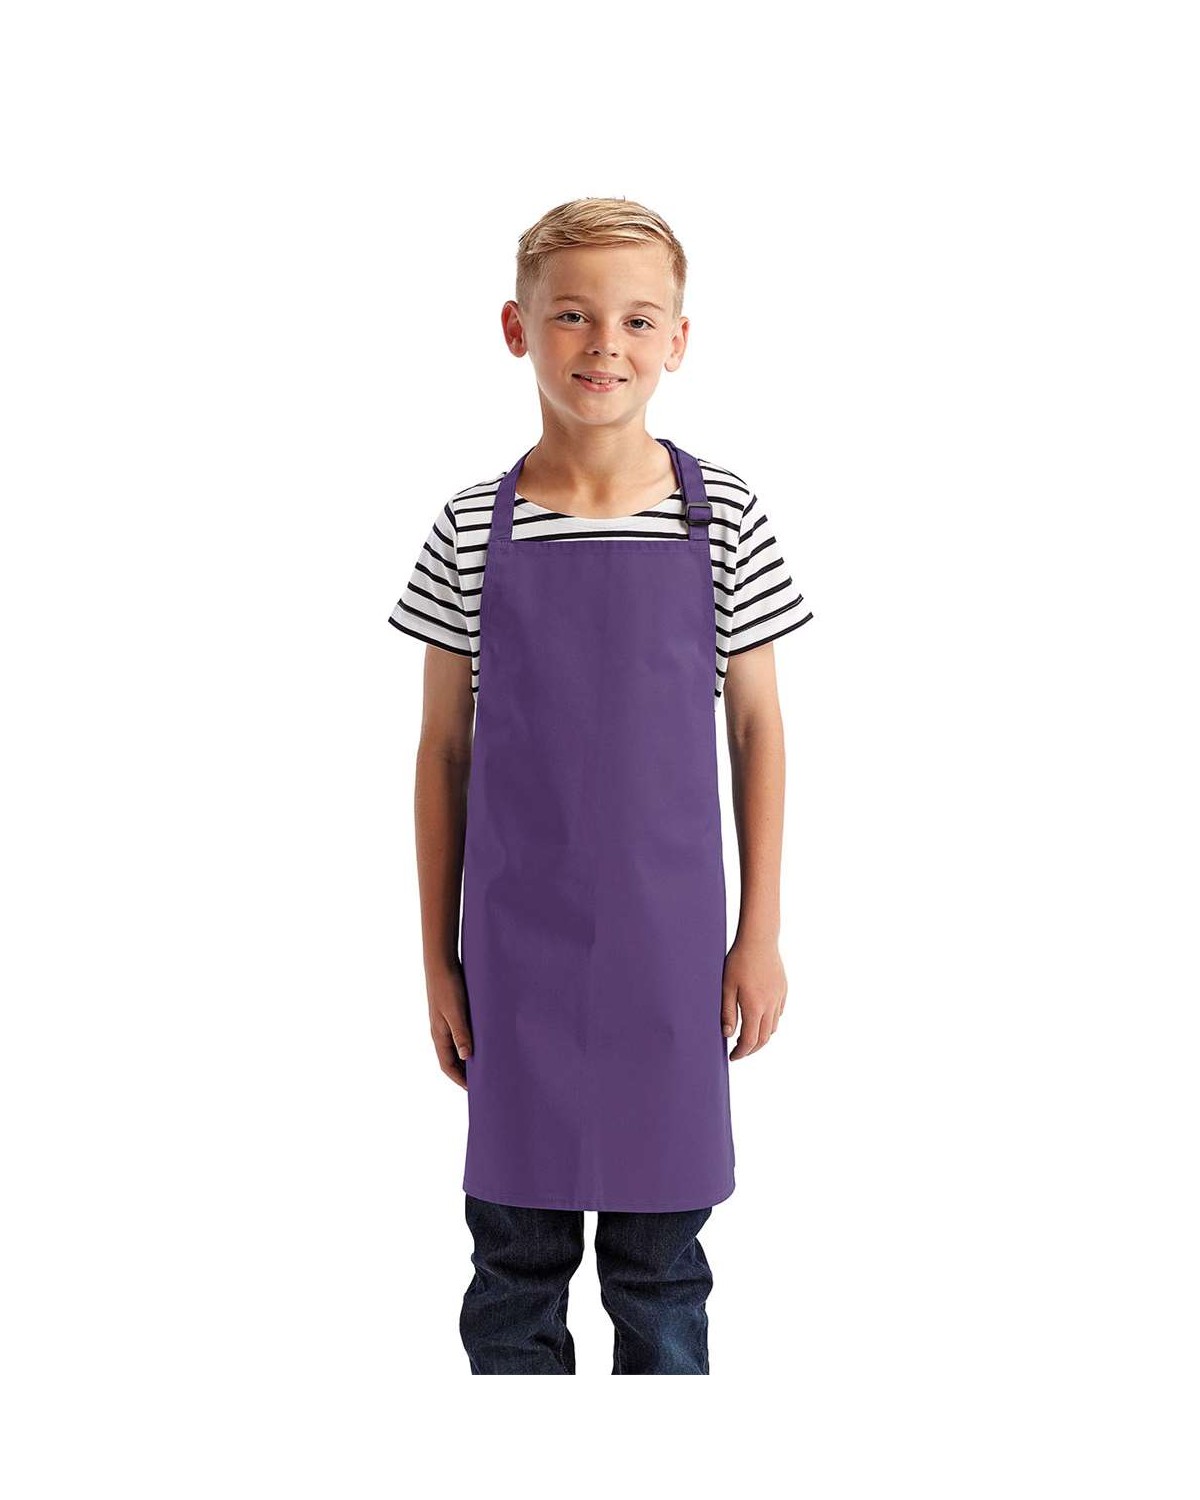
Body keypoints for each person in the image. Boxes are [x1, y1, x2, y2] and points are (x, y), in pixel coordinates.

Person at [387, 197, 814, 1374]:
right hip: (514, 964)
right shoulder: (469, 529)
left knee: (661, 1276)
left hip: (671, 963)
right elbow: (442, 753)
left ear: (679, 338)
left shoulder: (723, 516)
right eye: (571, 315)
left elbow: (759, 730)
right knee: (512, 1273)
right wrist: (437, 960)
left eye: (636, 319)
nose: (603, 345)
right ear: (516, 328)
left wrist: (759, 933)